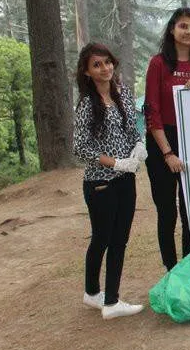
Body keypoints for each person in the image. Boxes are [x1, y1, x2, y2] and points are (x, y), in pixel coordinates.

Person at [73, 43, 145, 319]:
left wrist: (138, 145)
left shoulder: (123, 93)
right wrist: (113, 162)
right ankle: (108, 300)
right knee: (104, 238)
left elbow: (131, 128)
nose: (105, 69)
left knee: (119, 239)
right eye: (97, 65)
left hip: (126, 178)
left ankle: (95, 295)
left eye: (107, 62)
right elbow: (80, 148)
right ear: (87, 72)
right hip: (100, 182)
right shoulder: (87, 105)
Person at [145, 7, 190, 271]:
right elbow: (152, 110)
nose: (188, 32)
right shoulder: (158, 63)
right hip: (162, 142)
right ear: (172, 30)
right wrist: (167, 153)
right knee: (167, 212)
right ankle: (171, 270)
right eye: (183, 26)